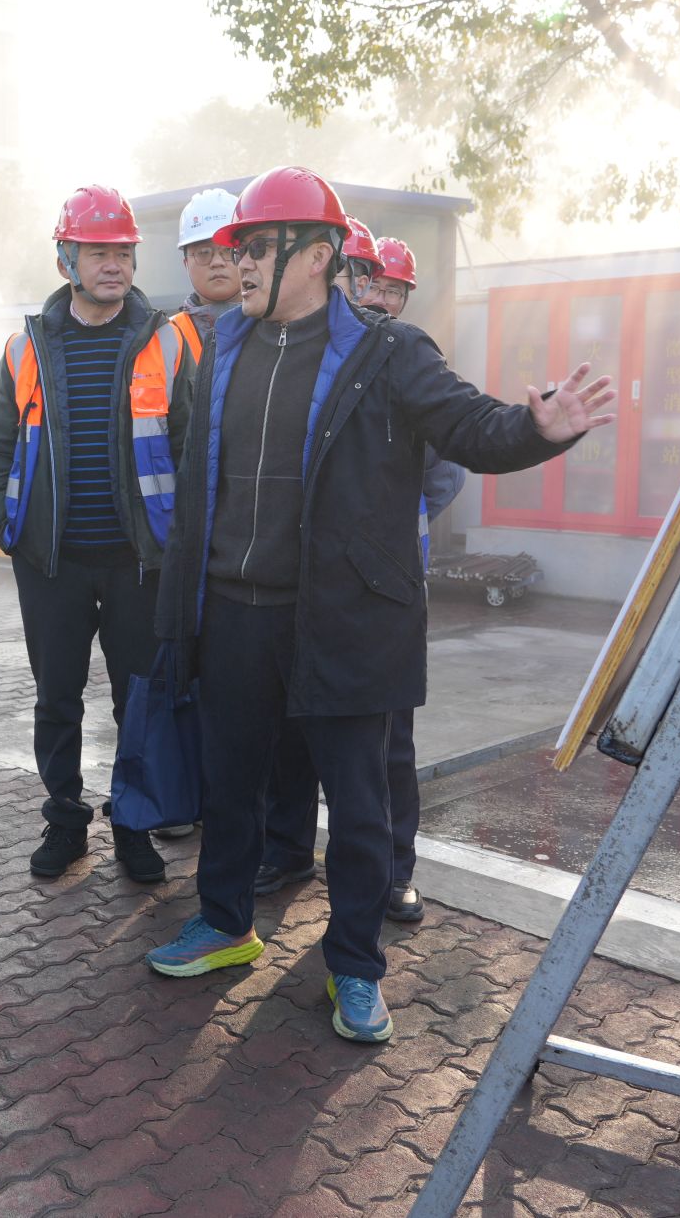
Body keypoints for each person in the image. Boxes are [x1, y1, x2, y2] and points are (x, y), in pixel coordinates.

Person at [145, 166, 614, 1048]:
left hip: (343, 618)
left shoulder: (389, 352)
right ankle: (226, 922)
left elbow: (469, 426)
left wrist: (537, 429)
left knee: (359, 806)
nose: (238, 262)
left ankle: (355, 965)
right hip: (235, 612)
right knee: (230, 785)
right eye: (235, 248)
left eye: (256, 246)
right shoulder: (225, 347)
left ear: (316, 255)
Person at [0, 185, 198, 886]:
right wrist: (12, 531)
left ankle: (133, 825)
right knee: (56, 698)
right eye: (99, 252)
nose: (115, 265)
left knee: (140, 703)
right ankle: (65, 822)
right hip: (53, 565)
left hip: (140, 564)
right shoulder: (25, 347)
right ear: (65, 259)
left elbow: (193, 451)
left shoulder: (167, 341)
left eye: (124, 252)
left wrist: (179, 544)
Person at [256, 231, 466, 918]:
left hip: (385, 591)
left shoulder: (408, 360)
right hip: (303, 585)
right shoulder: (303, 354)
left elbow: (444, 473)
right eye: (368, 280)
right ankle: (288, 848)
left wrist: (378, 533)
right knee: (293, 726)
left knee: (387, 744)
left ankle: (393, 871)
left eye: (390, 286)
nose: (378, 295)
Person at [172, 186, 242, 352]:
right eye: (203, 253)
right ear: (186, 264)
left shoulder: (278, 324)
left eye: (228, 250)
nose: (217, 262)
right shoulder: (167, 336)